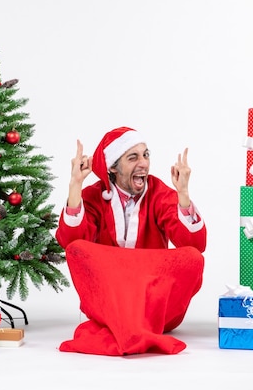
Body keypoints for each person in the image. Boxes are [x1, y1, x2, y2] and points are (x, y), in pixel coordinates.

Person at [56, 126, 207, 356]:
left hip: (154, 304)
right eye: (133, 157)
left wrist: (183, 194)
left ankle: (137, 324)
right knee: (77, 248)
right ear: (113, 168)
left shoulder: (159, 193)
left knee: (193, 258)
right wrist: (75, 186)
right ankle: (125, 322)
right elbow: (72, 243)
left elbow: (196, 244)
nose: (144, 163)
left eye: (146, 155)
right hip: (111, 303)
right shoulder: (94, 196)